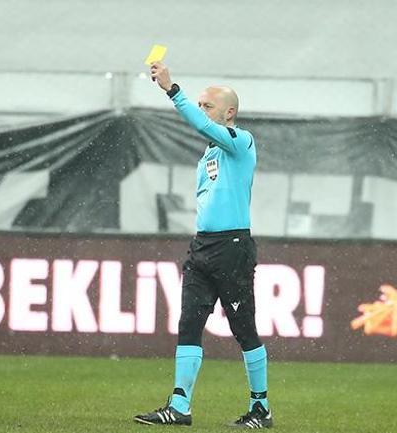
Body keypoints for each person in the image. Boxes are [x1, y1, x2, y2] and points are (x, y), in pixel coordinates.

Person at [134, 62, 271, 429]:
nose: (201, 110)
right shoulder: (209, 154)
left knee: (244, 329)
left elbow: (202, 125)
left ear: (229, 113)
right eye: (199, 104)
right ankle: (180, 407)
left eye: (207, 105)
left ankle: (261, 408)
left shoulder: (242, 142)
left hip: (233, 247)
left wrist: (171, 90)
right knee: (188, 324)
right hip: (203, 248)